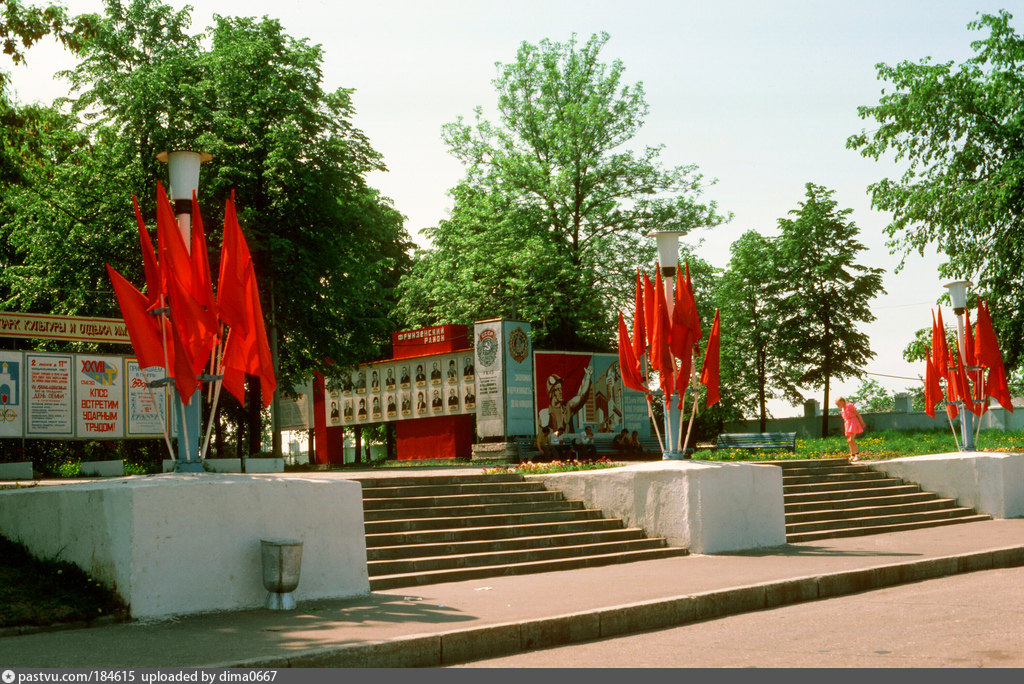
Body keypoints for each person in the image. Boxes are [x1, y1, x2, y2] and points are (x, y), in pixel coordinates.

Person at [538, 366, 593, 434]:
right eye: (558, 389)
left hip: (568, 442)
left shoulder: (567, 406)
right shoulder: (544, 413)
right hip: (553, 443)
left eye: (561, 389)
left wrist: (588, 376)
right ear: (552, 393)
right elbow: (540, 434)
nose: (561, 392)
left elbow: (582, 395)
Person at [836, 397, 865, 461]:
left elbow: (857, 414)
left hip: (853, 422)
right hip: (848, 424)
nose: (838, 406)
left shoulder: (849, 406)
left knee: (851, 440)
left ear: (842, 402)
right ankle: (852, 455)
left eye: (838, 404)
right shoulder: (843, 410)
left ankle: (857, 454)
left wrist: (862, 422)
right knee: (849, 441)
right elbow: (845, 419)